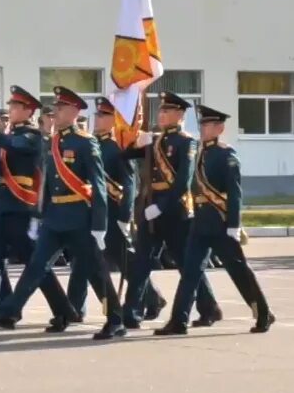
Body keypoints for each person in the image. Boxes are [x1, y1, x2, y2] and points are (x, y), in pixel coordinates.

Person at [0, 87, 126, 340]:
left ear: (74, 112)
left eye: (61, 108)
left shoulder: (86, 142)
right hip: (54, 218)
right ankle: (10, 311)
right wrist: (38, 216)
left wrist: (99, 224)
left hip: (79, 219)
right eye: (56, 108)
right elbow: (46, 184)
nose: (56, 112)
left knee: (96, 272)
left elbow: (98, 185)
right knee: (36, 266)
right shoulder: (51, 142)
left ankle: (116, 319)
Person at [0, 86, 77, 334]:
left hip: (21, 210)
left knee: (35, 266)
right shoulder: (12, 135)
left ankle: (63, 310)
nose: (10, 111)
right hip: (1, 209)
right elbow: (1, 167)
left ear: (28, 110)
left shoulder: (32, 136)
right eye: (10, 106)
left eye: (15, 107)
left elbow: (12, 145)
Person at [156, 105, 275, 335]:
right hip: (199, 224)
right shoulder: (199, 152)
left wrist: (234, 225)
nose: (203, 128)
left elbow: (235, 193)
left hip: (220, 224)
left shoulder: (226, 155)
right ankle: (178, 321)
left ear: (219, 128)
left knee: (239, 271)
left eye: (208, 124)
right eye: (201, 124)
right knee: (189, 273)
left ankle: (263, 313)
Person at [123, 92, 221, 329]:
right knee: (141, 262)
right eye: (160, 110)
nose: (162, 114)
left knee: (186, 265)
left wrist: (161, 206)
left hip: (175, 212)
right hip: (150, 210)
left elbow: (183, 182)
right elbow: (125, 154)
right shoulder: (154, 141)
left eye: (167, 111)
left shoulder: (187, 142)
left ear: (179, 115)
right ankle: (130, 314)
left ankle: (209, 309)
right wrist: (136, 140)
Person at [67, 97, 167, 321]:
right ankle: (74, 307)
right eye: (97, 115)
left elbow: (130, 183)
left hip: (113, 212)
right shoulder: (93, 143)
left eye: (103, 115)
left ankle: (151, 297)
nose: (98, 119)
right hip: (93, 211)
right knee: (83, 258)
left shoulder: (117, 145)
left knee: (124, 260)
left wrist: (124, 216)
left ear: (115, 120)